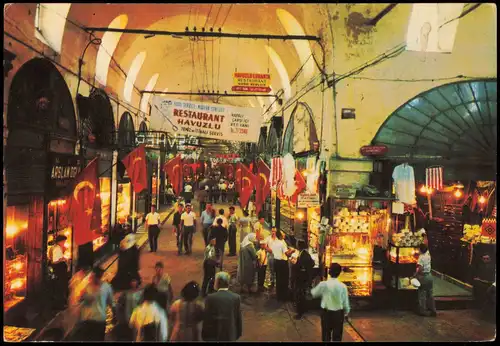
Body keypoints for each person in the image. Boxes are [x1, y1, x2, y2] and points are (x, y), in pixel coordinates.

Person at [311, 263, 351, 342]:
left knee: (326, 336)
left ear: (329, 271)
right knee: (337, 337)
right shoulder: (343, 286)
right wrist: (346, 313)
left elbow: (313, 293)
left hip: (326, 314)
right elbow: (345, 303)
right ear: (339, 273)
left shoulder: (323, 284)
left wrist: (314, 284)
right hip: (338, 314)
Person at [76, 266, 116, 342]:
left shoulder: (89, 287)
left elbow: (79, 299)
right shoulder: (106, 287)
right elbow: (112, 304)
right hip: (95, 321)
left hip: (90, 321)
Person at [202, 272, 242, 342]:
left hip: (214, 336)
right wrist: (236, 334)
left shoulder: (210, 298)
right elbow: (238, 319)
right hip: (230, 335)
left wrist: (205, 336)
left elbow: (207, 319)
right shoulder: (236, 298)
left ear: (217, 283)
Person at [266, 229, 294, 301]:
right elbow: (287, 254)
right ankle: (283, 296)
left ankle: (279, 295)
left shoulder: (276, 241)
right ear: (280, 236)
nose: (284, 234)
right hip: (282, 263)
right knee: (283, 280)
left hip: (277, 262)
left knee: (278, 279)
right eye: (283, 233)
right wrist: (292, 250)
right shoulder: (282, 242)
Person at [292, 239, 315, 319]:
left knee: (300, 295)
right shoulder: (304, 253)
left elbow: (301, 265)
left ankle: (300, 312)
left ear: (299, 246)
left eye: (297, 244)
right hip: (303, 278)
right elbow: (312, 263)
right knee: (301, 294)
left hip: (301, 278)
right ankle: (302, 309)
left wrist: (297, 265)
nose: (296, 245)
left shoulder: (304, 255)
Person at [413, 243, 437, 317]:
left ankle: (423, 310)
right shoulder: (428, 254)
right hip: (429, 275)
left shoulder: (421, 257)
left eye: (418, 249)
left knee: (422, 293)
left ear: (420, 250)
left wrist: (416, 275)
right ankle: (433, 310)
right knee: (430, 293)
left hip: (423, 277)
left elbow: (420, 268)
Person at [49, 234, 69, 310]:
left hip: (59, 270)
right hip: (59, 270)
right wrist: (63, 260)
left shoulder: (56, 248)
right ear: (60, 241)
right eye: (64, 241)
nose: (64, 242)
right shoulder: (57, 249)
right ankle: (61, 305)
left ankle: (61, 303)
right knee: (61, 287)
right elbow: (55, 261)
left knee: (60, 287)